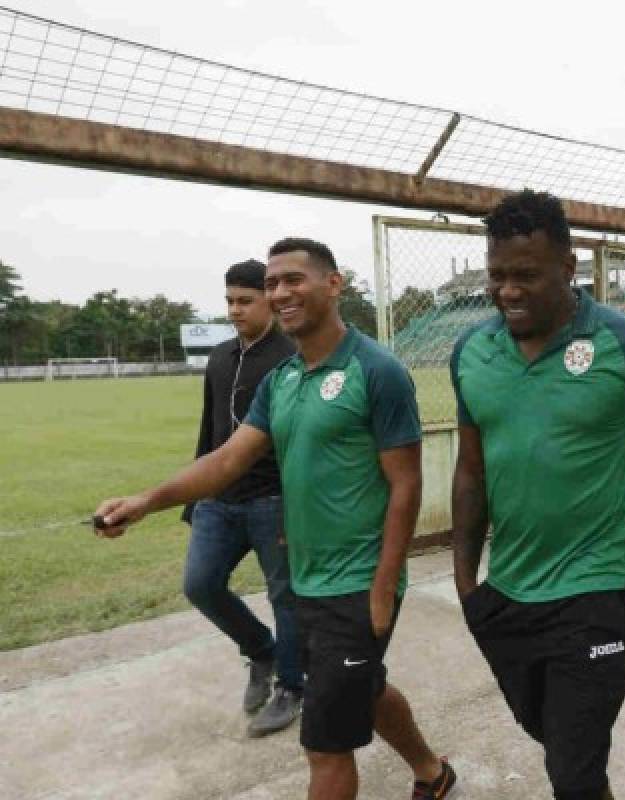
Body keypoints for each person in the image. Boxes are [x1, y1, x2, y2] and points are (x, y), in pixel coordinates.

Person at [94, 238, 457, 800]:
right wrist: (146, 501)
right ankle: (432, 772)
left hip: (358, 585)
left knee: (324, 743)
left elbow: (406, 484)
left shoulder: (376, 370)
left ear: (333, 284)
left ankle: (427, 770)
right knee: (363, 686)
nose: (280, 292)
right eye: (272, 284)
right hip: (307, 577)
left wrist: (384, 587)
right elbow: (229, 460)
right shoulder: (282, 380)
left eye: (294, 279)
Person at [450, 190, 625, 800]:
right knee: (553, 740)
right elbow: (470, 471)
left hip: (594, 589)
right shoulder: (471, 352)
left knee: (573, 774)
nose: (508, 291)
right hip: (506, 591)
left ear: (568, 267)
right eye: (498, 276)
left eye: (526, 275)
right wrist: (467, 584)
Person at [180, 259, 302, 736]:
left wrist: (298, 513)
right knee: (201, 584)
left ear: (268, 301)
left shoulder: (291, 357)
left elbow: (298, 442)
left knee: (286, 597)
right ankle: (261, 651)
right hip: (218, 500)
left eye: (245, 301)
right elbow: (209, 433)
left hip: (273, 500)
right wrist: (196, 497)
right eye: (229, 301)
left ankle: (292, 685)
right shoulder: (219, 357)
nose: (235, 310)